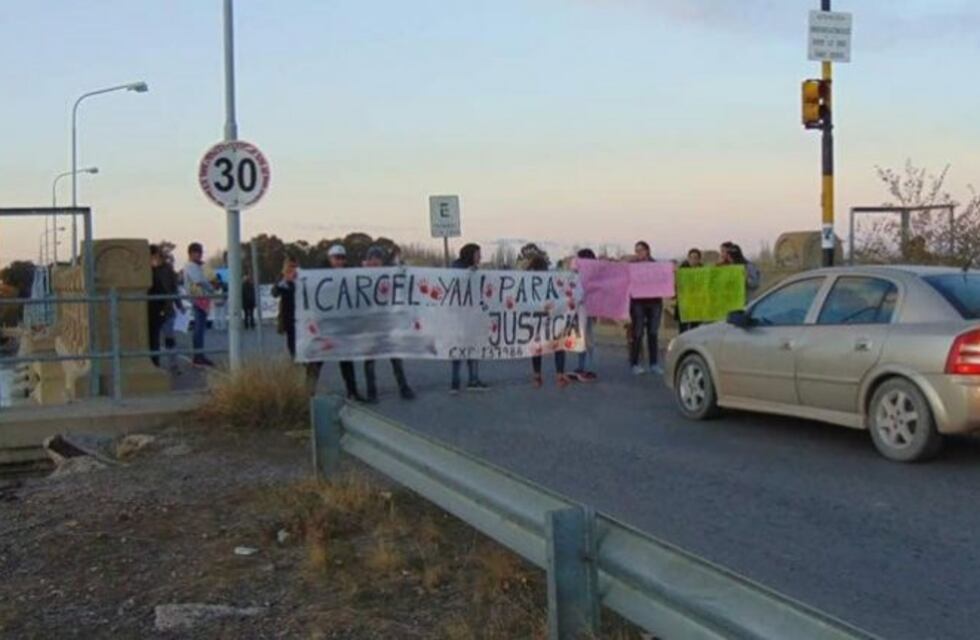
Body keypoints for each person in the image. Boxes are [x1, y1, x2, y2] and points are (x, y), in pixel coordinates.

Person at [361, 245, 415, 402]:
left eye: (378, 259)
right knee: (370, 360)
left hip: (387, 322)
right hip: (370, 324)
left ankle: (403, 387)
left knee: (395, 357)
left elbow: (403, 282)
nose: (375, 262)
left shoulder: (388, 275)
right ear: (368, 260)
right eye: (372, 259)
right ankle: (372, 391)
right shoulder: (360, 276)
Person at [271, 257, 323, 394]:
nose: (293, 270)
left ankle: (309, 388)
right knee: (295, 355)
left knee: (312, 355)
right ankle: (299, 388)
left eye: (295, 266)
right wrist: (285, 279)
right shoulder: (283, 281)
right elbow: (274, 293)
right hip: (291, 324)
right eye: (290, 267)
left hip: (305, 323)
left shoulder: (303, 280)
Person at [327, 244, 366, 401]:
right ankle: (307, 394)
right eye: (336, 258)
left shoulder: (350, 276)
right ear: (330, 259)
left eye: (342, 258)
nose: (339, 261)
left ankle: (352, 391)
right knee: (316, 361)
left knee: (346, 360)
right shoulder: (320, 275)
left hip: (343, 325)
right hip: (326, 326)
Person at [450, 243, 490, 394]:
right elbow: (454, 285)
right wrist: (468, 273)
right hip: (459, 317)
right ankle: (456, 382)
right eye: (478, 254)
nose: (480, 257)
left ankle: (472, 380)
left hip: (472, 316)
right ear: (470, 255)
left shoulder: (475, 271)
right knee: (458, 349)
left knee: (472, 347)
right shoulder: (457, 269)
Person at [526, 254, 571, 388]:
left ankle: (537, 376)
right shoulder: (551, 278)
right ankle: (559, 375)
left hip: (537, 318)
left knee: (537, 346)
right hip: (551, 317)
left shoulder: (529, 280)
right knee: (558, 345)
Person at [628, 241, 663, 376]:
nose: (638, 253)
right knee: (637, 333)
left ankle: (654, 364)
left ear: (647, 250)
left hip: (654, 302)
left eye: (641, 250)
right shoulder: (632, 266)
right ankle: (635, 363)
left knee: (653, 333)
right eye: (636, 251)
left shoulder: (656, 266)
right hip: (638, 303)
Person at [182, 242, 216, 367]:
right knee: (199, 328)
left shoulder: (196, 266)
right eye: (198, 252)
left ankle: (199, 355)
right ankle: (198, 356)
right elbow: (199, 280)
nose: (200, 255)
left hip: (200, 297)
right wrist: (211, 288)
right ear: (191, 253)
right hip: (198, 297)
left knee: (200, 327)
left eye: (201, 252)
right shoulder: (191, 266)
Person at [147, 244, 181, 369]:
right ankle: (155, 363)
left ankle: (173, 363)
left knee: (169, 336)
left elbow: (174, 287)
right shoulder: (147, 270)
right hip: (153, 309)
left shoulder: (167, 269)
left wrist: (178, 304)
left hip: (167, 307)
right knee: (153, 337)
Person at [570, 248, 598, 382]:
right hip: (579, 308)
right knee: (581, 337)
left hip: (587, 308)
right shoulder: (577, 274)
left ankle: (588, 368)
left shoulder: (592, 275)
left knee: (587, 338)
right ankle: (583, 367)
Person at [678, 248, 704, 334]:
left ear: (699, 259)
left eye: (696, 258)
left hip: (697, 304)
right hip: (684, 303)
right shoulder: (681, 270)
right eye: (691, 258)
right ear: (688, 258)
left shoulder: (703, 271)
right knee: (683, 329)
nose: (693, 260)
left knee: (695, 329)